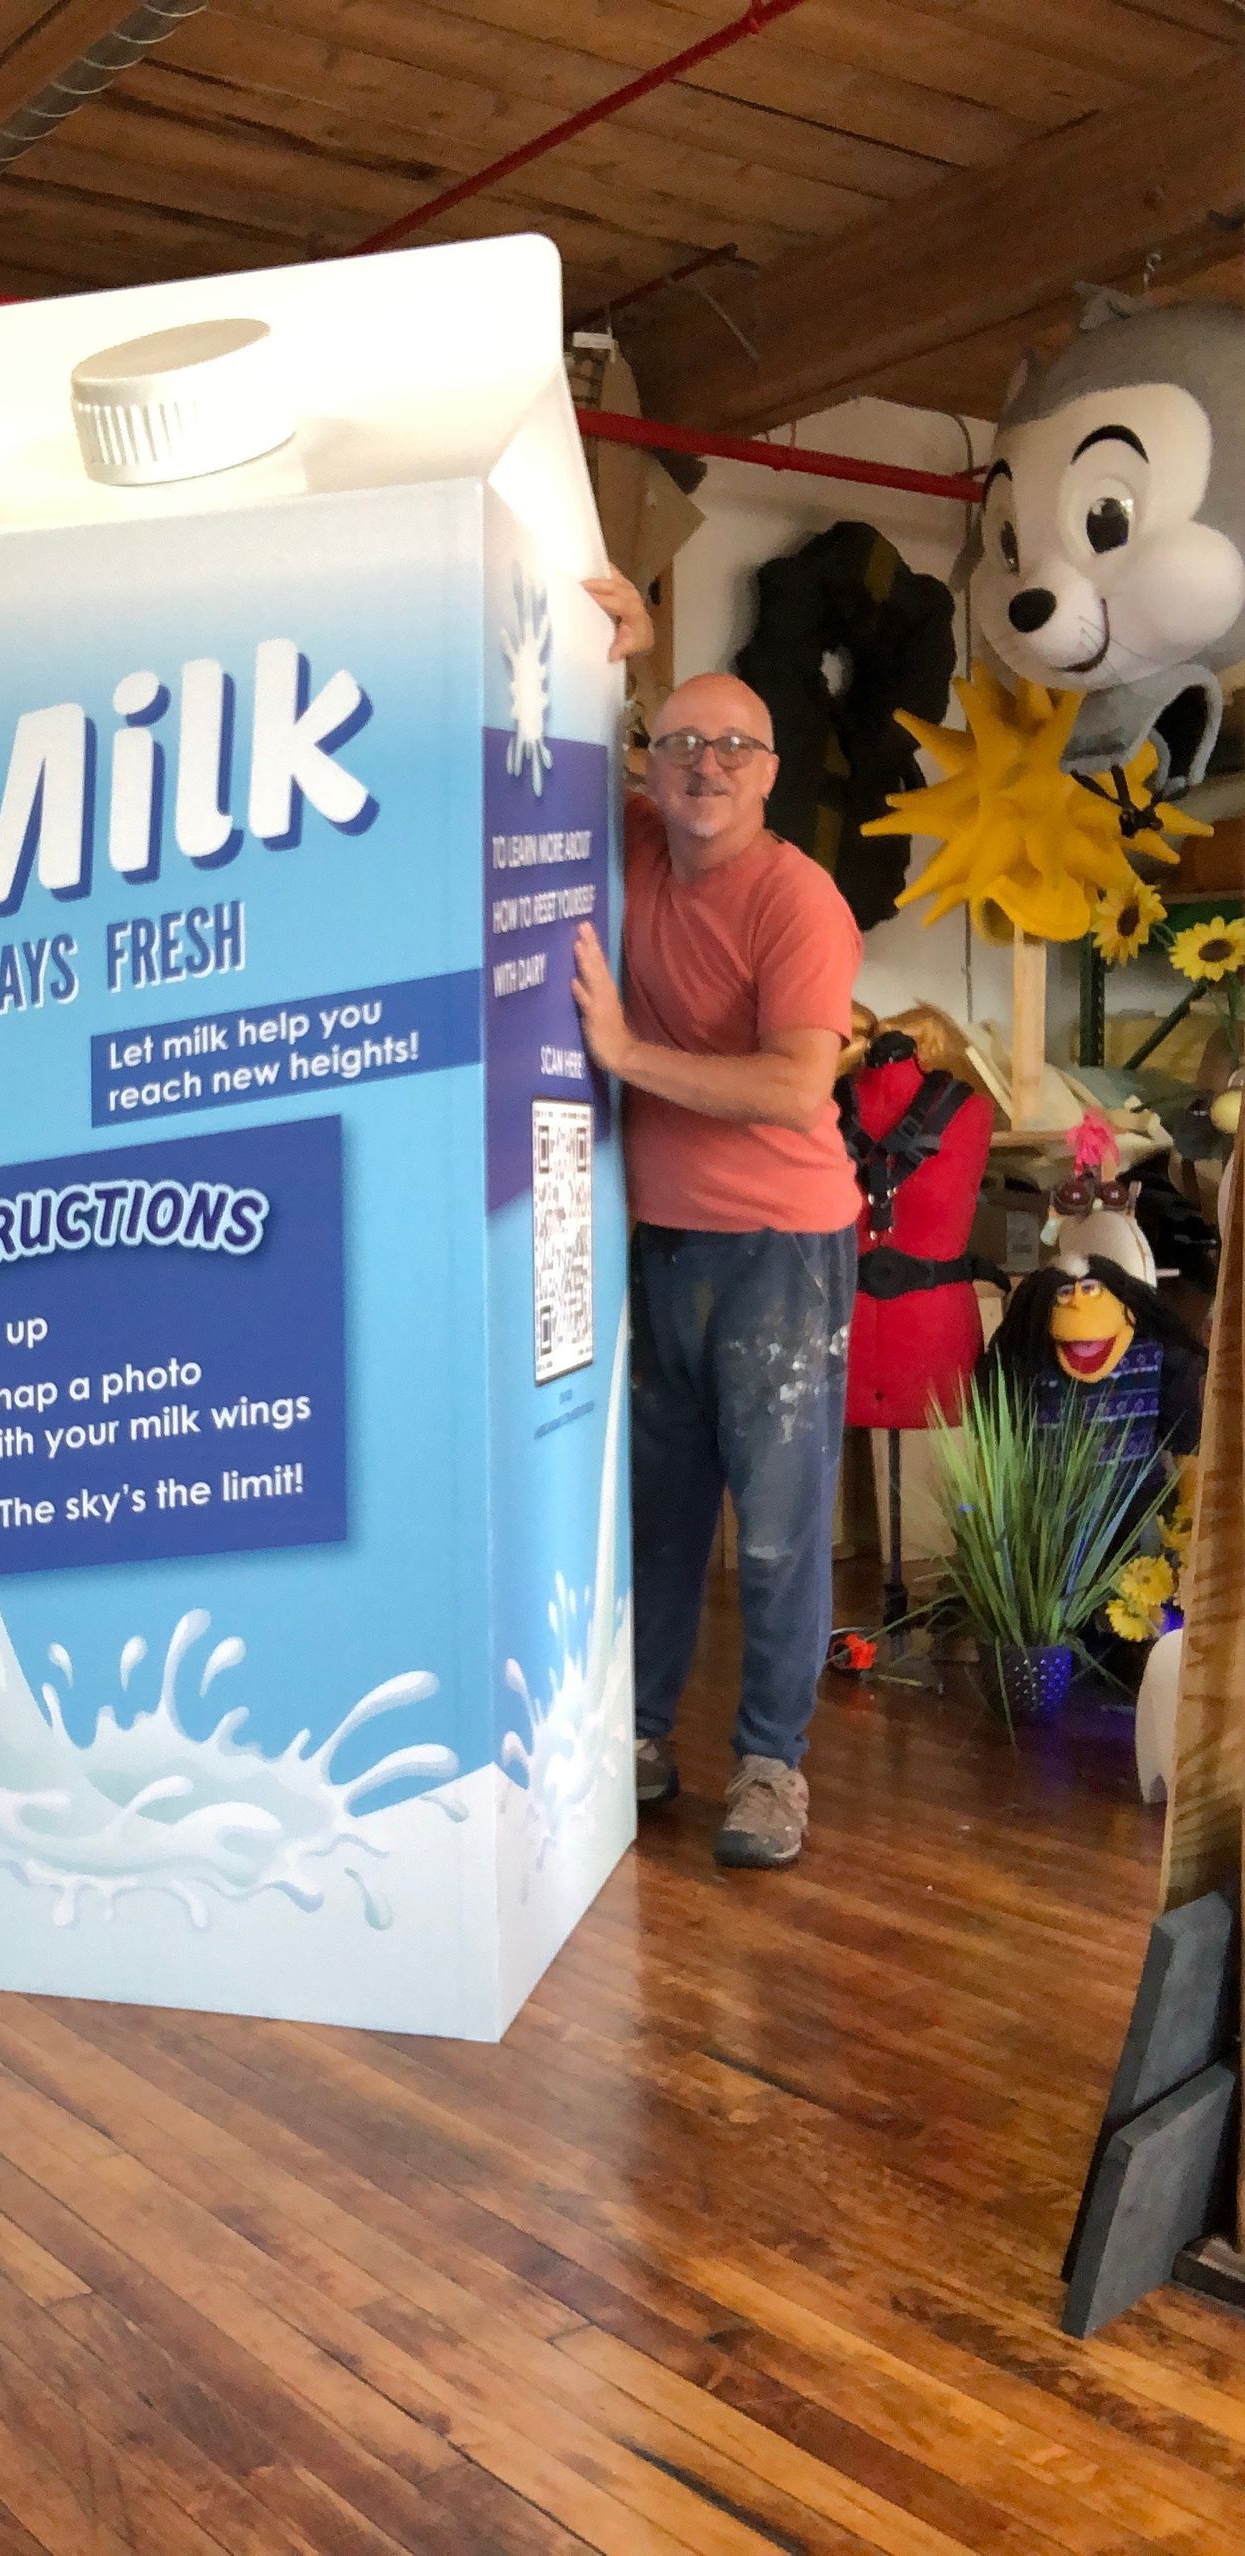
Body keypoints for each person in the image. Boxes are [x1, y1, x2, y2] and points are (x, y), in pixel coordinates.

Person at [572, 668, 862, 1869]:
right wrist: (622, 650)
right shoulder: (641, 836)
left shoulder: (800, 904)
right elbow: (586, 716)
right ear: (651, 765)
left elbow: (797, 1084)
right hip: (664, 1243)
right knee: (659, 1517)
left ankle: (769, 1769)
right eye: (683, 744)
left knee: (780, 1531)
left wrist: (626, 1054)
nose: (706, 766)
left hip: (782, 1250)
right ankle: (637, 1740)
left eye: (736, 749)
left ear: (771, 774)